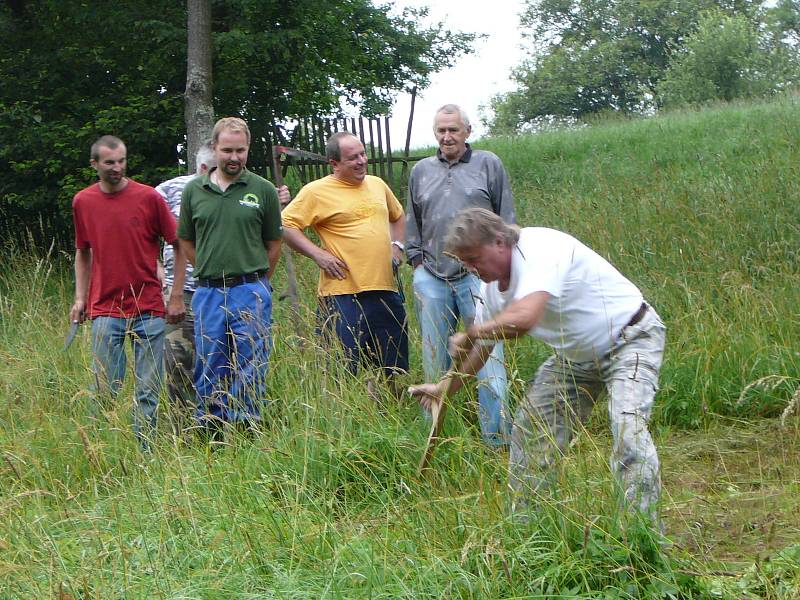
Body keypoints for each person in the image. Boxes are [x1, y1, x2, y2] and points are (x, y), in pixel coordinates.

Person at [410, 208, 666, 525]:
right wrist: (444, 388)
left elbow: (524, 319)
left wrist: (474, 331)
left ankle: (644, 538)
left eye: (474, 258)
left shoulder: (540, 249)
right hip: (575, 359)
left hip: (632, 338)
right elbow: (482, 350)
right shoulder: (490, 290)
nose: (471, 269)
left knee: (628, 431)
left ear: (500, 241)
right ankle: (528, 533)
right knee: (531, 431)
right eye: (465, 263)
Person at [167, 117, 285, 435]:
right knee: (210, 358)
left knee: (251, 358)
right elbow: (186, 240)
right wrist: (206, 266)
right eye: (227, 150)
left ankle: (246, 424)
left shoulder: (262, 190)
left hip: (250, 289)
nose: (234, 157)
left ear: (248, 150)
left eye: (241, 150)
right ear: (215, 148)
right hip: (208, 292)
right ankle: (212, 426)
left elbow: (274, 243)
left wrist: (259, 281)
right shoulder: (195, 191)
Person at [406, 103, 515, 447]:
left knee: (489, 361)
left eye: (454, 130)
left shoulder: (488, 164)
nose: (447, 136)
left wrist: (500, 271)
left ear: (468, 131)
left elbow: (507, 219)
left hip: (478, 279)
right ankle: (436, 440)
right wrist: (417, 263)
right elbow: (413, 220)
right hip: (432, 277)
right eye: (441, 130)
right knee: (434, 363)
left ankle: (497, 442)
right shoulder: (421, 170)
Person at [71, 135, 181, 450]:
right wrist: (80, 298)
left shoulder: (149, 198)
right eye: (109, 163)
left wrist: (173, 294)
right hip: (105, 309)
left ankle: (145, 453)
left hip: (148, 308)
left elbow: (177, 243)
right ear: (95, 165)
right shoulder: (83, 202)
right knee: (105, 387)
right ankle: (103, 451)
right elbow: (83, 252)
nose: (117, 168)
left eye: (121, 161)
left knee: (148, 389)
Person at [282, 131, 408, 396]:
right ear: (334, 164)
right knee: (342, 366)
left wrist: (398, 248)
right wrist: (319, 255)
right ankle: (348, 416)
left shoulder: (377, 184)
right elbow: (286, 224)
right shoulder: (316, 192)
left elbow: (398, 217)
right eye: (353, 158)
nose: (362, 161)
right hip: (342, 293)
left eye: (363, 154)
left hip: (385, 288)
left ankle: (392, 410)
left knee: (394, 363)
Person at [155, 141, 215, 429]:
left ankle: (217, 422)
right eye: (213, 169)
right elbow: (143, 232)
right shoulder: (168, 191)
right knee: (179, 358)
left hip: (220, 289)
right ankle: (184, 425)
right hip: (183, 290)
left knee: (218, 358)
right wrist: (157, 271)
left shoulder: (239, 190)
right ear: (202, 168)